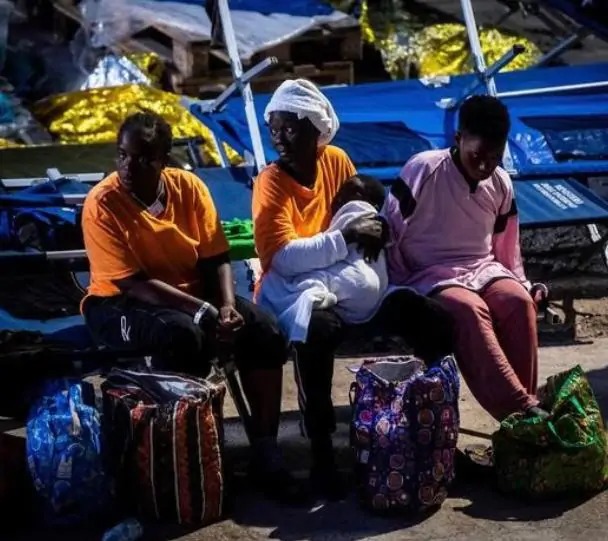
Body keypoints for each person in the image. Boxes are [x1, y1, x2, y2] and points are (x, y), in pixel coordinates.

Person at [81, 111, 302, 503]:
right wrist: (202, 310)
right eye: (122, 155)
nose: (129, 167)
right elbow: (133, 282)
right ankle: (195, 455)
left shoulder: (189, 188)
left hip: (189, 294)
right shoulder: (103, 204)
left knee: (264, 331)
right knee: (185, 336)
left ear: (164, 160)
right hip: (118, 303)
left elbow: (216, 257)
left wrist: (229, 307)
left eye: (143, 159)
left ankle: (265, 449)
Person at [253, 79, 455, 500]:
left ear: (316, 131)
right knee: (316, 329)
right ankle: (322, 450)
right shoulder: (270, 183)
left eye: (290, 128)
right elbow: (283, 258)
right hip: (298, 288)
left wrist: (374, 231)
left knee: (432, 318)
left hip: (351, 280)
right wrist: (345, 238)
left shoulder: (337, 162)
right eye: (274, 128)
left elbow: (363, 217)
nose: (279, 138)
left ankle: (437, 431)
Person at [383, 95, 548, 423]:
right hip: (428, 274)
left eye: (494, 157)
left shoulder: (500, 182)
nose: (486, 166)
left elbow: (507, 246)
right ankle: (521, 410)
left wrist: (525, 285)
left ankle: (516, 430)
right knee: (469, 310)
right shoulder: (424, 169)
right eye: (478, 156)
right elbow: (389, 232)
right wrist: (395, 287)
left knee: (517, 303)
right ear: (458, 139)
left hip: (482, 268)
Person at [258, 174, 389, 343]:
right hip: (361, 297)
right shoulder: (271, 182)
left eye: (353, 191)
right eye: (341, 189)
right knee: (318, 322)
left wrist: (380, 222)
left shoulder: (355, 208)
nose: (341, 195)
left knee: (280, 286)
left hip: (356, 286)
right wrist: (347, 235)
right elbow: (284, 259)